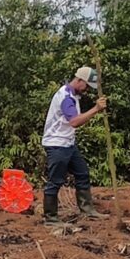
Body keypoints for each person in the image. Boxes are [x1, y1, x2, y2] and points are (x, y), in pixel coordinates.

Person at [41, 67, 107, 224]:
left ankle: (87, 209)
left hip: (68, 143)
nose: (87, 91)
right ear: (79, 81)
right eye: (86, 86)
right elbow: (75, 122)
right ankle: (50, 218)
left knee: (82, 172)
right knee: (56, 180)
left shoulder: (72, 95)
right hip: (57, 144)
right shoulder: (66, 98)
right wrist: (96, 109)